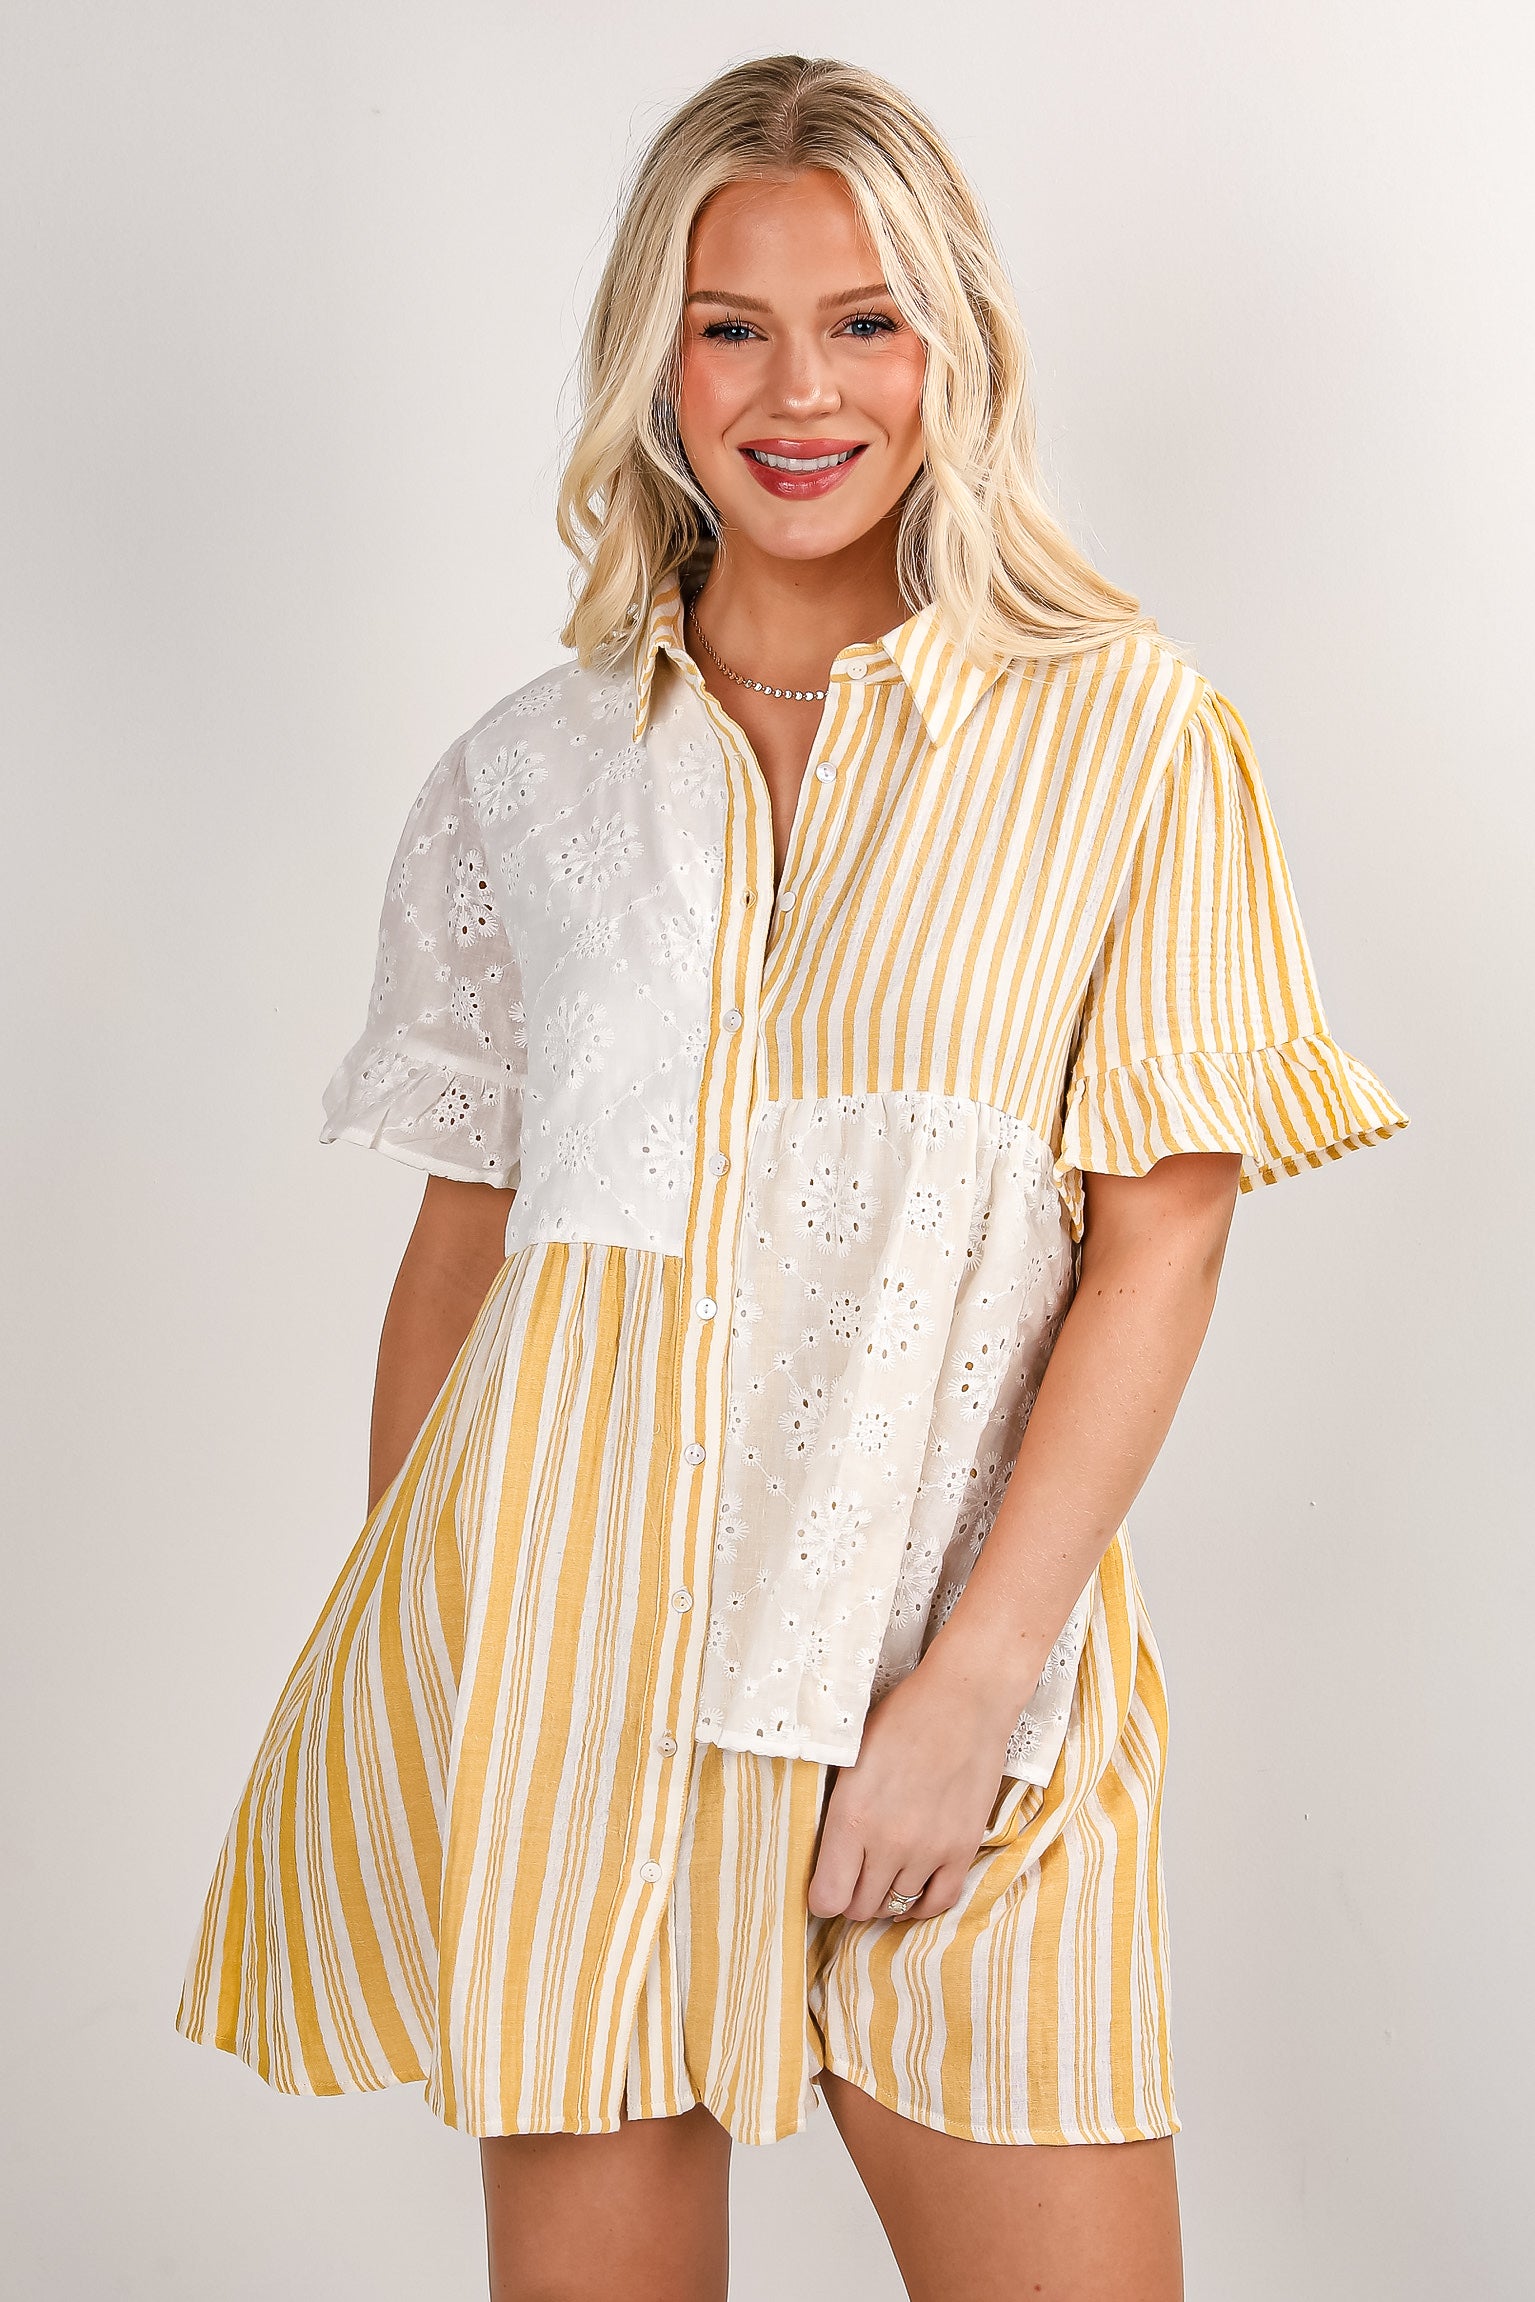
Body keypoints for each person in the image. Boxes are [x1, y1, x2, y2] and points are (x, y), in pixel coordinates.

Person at [176, 52, 1406, 2302]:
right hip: (570, 1689)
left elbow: (1167, 1228)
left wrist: (965, 1687)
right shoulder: (528, 779)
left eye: (866, 318)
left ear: (960, 350)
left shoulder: (1124, 732)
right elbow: (469, 1249)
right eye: (731, 322)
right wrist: (442, 1679)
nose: (798, 388)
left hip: (953, 1699)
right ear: (658, 357)